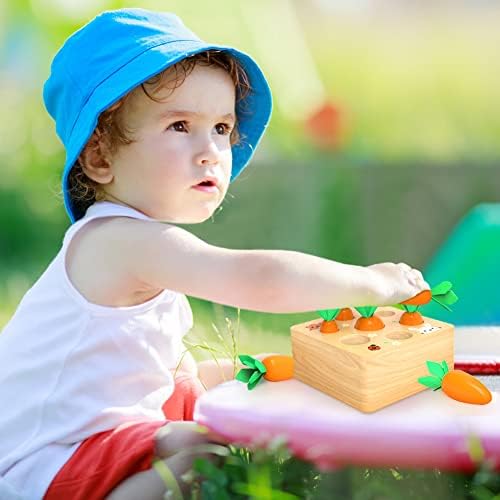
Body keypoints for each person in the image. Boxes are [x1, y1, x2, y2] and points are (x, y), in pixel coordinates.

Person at [0, 8, 429, 500]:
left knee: (211, 408)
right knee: (201, 453)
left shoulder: (142, 256)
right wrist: (372, 282)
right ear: (99, 157)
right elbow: (259, 279)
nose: (210, 151)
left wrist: (284, 370)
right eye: (180, 126)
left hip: (87, 446)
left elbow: (170, 381)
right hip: (44, 460)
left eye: (222, 129)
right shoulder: (117, 241)